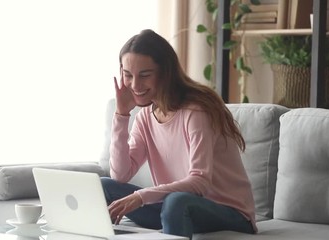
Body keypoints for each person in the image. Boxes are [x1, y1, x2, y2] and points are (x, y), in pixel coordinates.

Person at [101, 29, 257, 239]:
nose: (135, 85)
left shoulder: (196, 111)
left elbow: (199, 182)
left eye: (145, 75)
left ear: (165, 72)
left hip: (228, 213)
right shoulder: (145, 117)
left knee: (176, 201)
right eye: (128, 75)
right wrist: (121, 115)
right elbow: (120, 174)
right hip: (173, 208)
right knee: (104, 186)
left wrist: (141, 197)